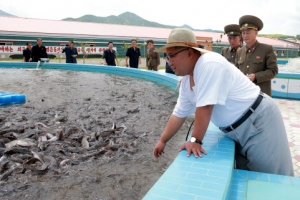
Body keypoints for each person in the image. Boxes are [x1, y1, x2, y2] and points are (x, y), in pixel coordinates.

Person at [153, 28, 293, 176]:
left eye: (171, 56)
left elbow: (205, 108)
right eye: (166, 57)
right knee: (247, 181)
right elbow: (178, 114)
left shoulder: (208, 63)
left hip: (259, 121)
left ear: (189, 53)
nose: (169, 62)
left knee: (271, 179)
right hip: (236, 130)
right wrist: (163, 141)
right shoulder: (187, 81)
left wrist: (195, 141)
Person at [235, 15, 278, 96]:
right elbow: (237, 72)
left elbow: (273, 71)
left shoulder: (266, 49)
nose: (245, 36)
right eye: (243, 33)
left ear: (256, 32)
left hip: (261, 95)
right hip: (244, 94)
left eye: (248, 32)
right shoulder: (240, 51)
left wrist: (256, 76)